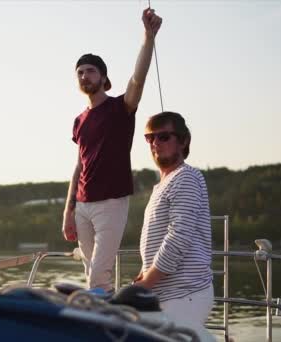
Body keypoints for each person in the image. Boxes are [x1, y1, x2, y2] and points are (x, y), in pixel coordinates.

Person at [61, 8, 163, 292]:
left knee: (98, 276)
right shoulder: (79, 120)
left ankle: (107, 324)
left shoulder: (120, 107)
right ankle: (103, 325)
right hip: (82, 205)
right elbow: (79, 165)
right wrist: (68, 210)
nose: (84, 76)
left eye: (90, 71)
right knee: (92, 275)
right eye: (79, 72)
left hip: (111, 202)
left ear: (103, 77)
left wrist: (148, 37)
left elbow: (137, 80)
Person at [133, 111, 213, 329]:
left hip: (184, 294)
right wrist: (144, 273)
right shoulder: (163, 184)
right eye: (150, 138)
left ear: (183, 140)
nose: (155, 143)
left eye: (164, 137)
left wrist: (145, 285)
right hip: (166, 294)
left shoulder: (186, 177)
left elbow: (178, 238)